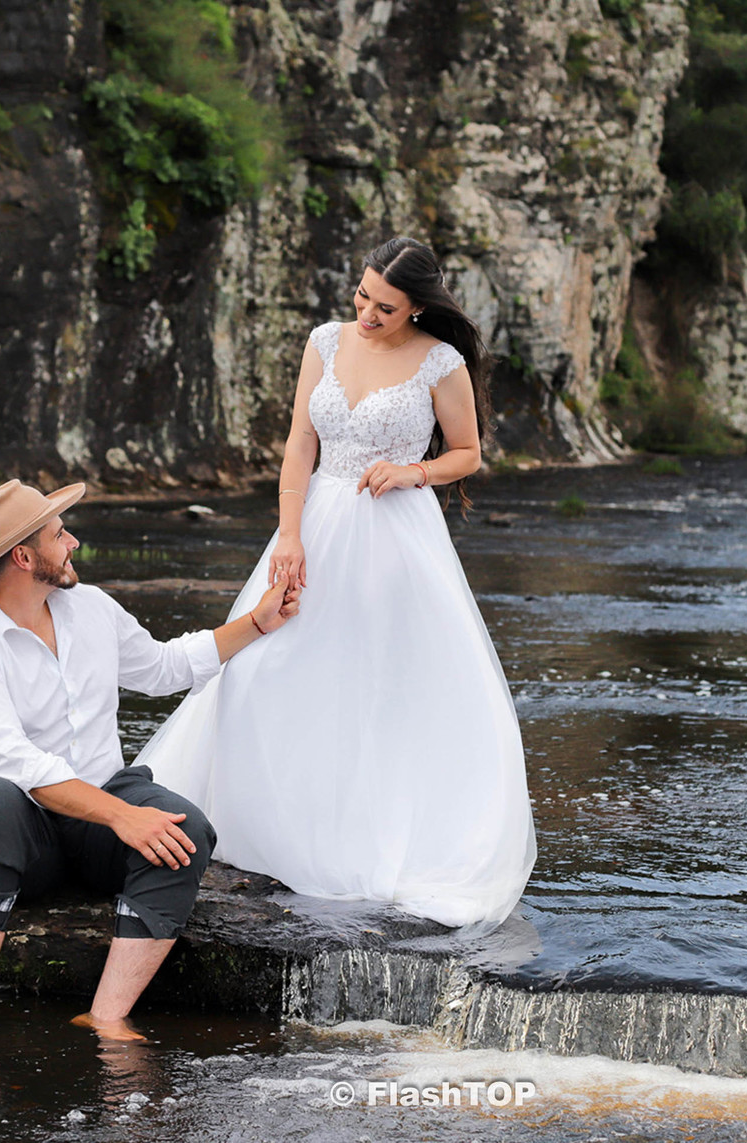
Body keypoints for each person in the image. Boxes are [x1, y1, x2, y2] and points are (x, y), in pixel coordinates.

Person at [138, 236, 537, 928]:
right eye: (362, 293)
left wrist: (414, 471)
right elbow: (299, 442)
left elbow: (468, 453)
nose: (368, 312)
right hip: (315, 523)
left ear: (418, 309)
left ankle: (364, 837)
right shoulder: (324, 340)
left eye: (386, 306)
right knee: (261, 665)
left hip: (394, 536)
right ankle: (259, 825)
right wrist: (288, 534)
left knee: (376, 685)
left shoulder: (440, 362)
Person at [0, 478, 298, 1041]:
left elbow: (163, 668)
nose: (74, 542)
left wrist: (256, 623)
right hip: (19, 834)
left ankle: (107, 1016)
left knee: (187, 831)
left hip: (97, 819)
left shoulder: (93, 608)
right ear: (24, 557)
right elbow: (14, 761)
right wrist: (121, 816)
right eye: (60, 534)